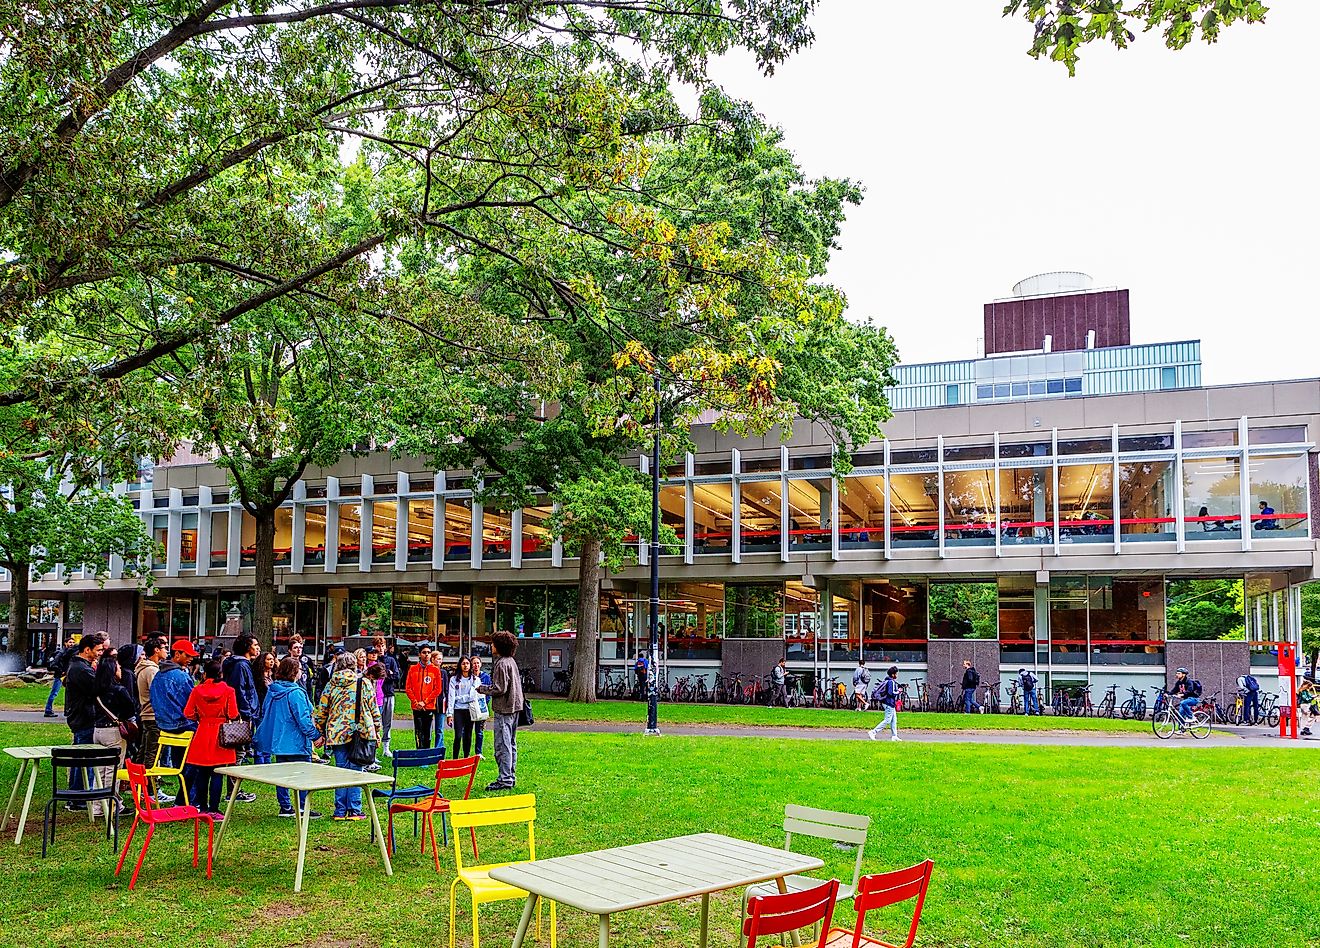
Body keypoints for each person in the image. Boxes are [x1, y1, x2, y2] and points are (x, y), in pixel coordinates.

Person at [315, 652, 382, 821]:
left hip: (337, 733)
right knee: (356, 770)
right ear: (354, 665)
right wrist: (377, 729)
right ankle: (354, 809)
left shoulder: (331, 684)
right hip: (360, 731)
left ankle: (339, 810)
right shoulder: (364, 683)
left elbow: (322, 710)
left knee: (340, 770)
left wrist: (320, 731)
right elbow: (374, 709)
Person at [253, 657, 323, 819]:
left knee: (281, 775)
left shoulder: (272, 689)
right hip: (296, 741)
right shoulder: (296, 693)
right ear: (294, 672)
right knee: (304, 774)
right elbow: (303, 719)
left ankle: (285, 806)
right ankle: (303, 806)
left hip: (279, 740)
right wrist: (315, 736)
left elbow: (265, 711)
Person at [182, 659, 240, 819]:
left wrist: (200, 716)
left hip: (202, 732)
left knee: (202, 772)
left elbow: (188, 713)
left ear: (205, 673)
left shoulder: (197, 690)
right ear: (220, 674)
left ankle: (202, 806)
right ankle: (214, 808)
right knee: (217, 773)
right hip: (220, 733)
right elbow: (233, 714)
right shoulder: (228, 690)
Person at [62, 632, 106, 808]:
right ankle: (79, 797)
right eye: (98, 650)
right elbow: (99, 688)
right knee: (85, 759)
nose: (100, 653)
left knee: (79, 757)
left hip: (80, 716)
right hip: (84, 717)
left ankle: (76, 795)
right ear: (87, 650)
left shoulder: (79, 665)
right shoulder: (81, 669)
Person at [91, 650, 137, 818]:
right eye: (117, 667)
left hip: (98, 730)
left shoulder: (96, 690)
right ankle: (109, 805)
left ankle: (97, 805)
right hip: (113, 732)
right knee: (113, 770)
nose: (120, 670)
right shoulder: (119, 690)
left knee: (99, 770)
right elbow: (130, 710)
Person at [477, 631, 523, 791]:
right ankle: (510, 776)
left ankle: (505, 779)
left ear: (500, 646)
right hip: (514, 708)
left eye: (493, 643)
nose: (491, 646)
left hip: (504, 709)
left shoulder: (501, 664)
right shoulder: (511, 661)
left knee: (502, 745)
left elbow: (499, 688)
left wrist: (482, 689)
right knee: (511, 744)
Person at [222, 635, 261, 802]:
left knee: (237, 752)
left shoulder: (235, 664)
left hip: (239, 713)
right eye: (255, 645)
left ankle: (234, 789)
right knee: (238, 753)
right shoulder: (241, 665)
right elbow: (240, 690)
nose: (258, 648)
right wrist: (246, 714)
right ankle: (233, 791)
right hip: (241, 715)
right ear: (247, 647)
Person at [135, 636, 170, 800]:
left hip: (147, 715)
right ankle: (150, 791)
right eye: (164, 647)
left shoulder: (145, 668)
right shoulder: (151, 670)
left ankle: (140, 786)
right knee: (153, 754)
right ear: (156, 650)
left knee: (144, 752)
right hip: (153, 715)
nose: (167, 651)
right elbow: (158, 693)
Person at [405, 645, 443, 750]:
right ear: (419, 654)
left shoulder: (435, 670)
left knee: (427, 731)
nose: (426, 654)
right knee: (418, 731)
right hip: (416, 706)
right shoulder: (413, 669)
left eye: (428, 652)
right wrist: (416, 702)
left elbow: (437, 689)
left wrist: (425, 702)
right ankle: (419, 753)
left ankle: (425, 755)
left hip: (429, 706)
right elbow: (408, 688)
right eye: (424, 652)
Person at [446, 656, 483, 759]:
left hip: (470, 710)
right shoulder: (454, 679)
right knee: (458, 736)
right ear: (460, 665)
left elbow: (472, 696)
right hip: (458, 710)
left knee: (468, 735)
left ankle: (466, 757)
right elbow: (451, 697)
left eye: (467, 663)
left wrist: (458, 698)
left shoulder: (475, 679)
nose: (465, 666)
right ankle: (455, 758)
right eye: (463, 664)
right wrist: (449, 714)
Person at [374, 636, 400, 757]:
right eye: (378, 646)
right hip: (376, 695)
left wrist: (387, 676)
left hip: (389, 694)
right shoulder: (374, 661)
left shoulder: (391, 660)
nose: (380, 648)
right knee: (375, 721)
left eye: (382, 645)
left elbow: (396, 676)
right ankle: (374, 745)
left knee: (387, 721)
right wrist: (387, 675)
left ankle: (386, 746)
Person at [44, 634, 78, 717]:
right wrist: (61, 671)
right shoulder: (61, 653)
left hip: (66, 675)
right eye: (70, 642)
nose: (72, 644)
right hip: (60, 675)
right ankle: (48, 710)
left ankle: (68, 710)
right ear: (65, 643)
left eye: (73, 642)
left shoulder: (70, 653)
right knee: (54, 693)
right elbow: (54, 664)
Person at [868, 666, 901, 741]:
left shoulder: (887, 680)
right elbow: (890, 693)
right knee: (887, 720)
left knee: (894, 720)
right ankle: (873, 732)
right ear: (893, 674)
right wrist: (898, 692)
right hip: (889, 703)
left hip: (889, 703)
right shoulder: (891, 682)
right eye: (896, 674)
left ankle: (894, 736)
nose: (897, 675)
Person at [470, 655, 492, 757]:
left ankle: (478, 752)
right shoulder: (468, 677)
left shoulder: (486, 677)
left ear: (481, 664)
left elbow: (489, 692)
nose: (476, 665)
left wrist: (484, 704)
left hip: (481, 708)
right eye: (474, 663)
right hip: (470, 708)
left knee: (479, 731)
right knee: (468, 731)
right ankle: (467, 751)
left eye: (478, 663)